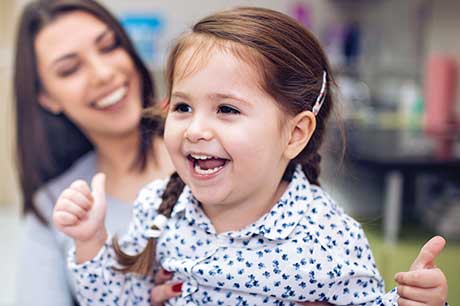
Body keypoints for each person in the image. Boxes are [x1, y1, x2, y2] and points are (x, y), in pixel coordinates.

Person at [53, 7, 448, 306]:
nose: (195, 130)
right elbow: (119, 299)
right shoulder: (159, 208)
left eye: (227, 109)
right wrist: (90, 240)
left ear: (294, 134)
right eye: (183, 107)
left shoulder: (326, 238)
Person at [14, 1, 174, 305]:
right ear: (47, 97)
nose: (103, 74)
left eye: (109, 46)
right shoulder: (52, 205)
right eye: (70, 69)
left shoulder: (215, 154)